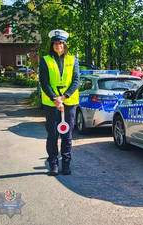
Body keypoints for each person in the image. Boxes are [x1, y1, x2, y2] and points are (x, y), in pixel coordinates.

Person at [39, 29, 80, 176]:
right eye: (55, 43)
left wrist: (64, 98)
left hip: (69, 103)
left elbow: (76, 81)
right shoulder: (45, 60)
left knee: (67, 136)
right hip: (51, 104)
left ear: (65, 45)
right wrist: (55, 99)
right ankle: (53, 164)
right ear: (52, 45)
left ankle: (66, 164)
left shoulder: (73, 59)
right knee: (52, 135)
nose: (58, 46)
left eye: (61, 43)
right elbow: (44, 82)